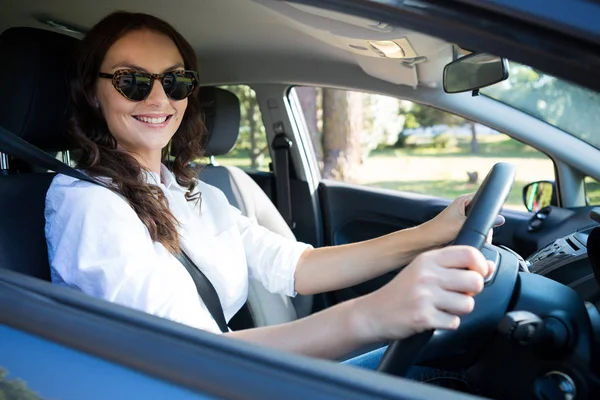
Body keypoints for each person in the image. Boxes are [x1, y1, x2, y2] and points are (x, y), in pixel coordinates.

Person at [45, 11, 501, 368]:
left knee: (462, 352)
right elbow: (189, 353)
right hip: (191, 381)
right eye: (132, 81)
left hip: (228, 371)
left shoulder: (193, 191)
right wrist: (374, 315)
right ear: (92, 91)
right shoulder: (87, 203)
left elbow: (295, 266)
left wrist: (434, 232)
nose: (159, 98)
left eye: (176, 80)